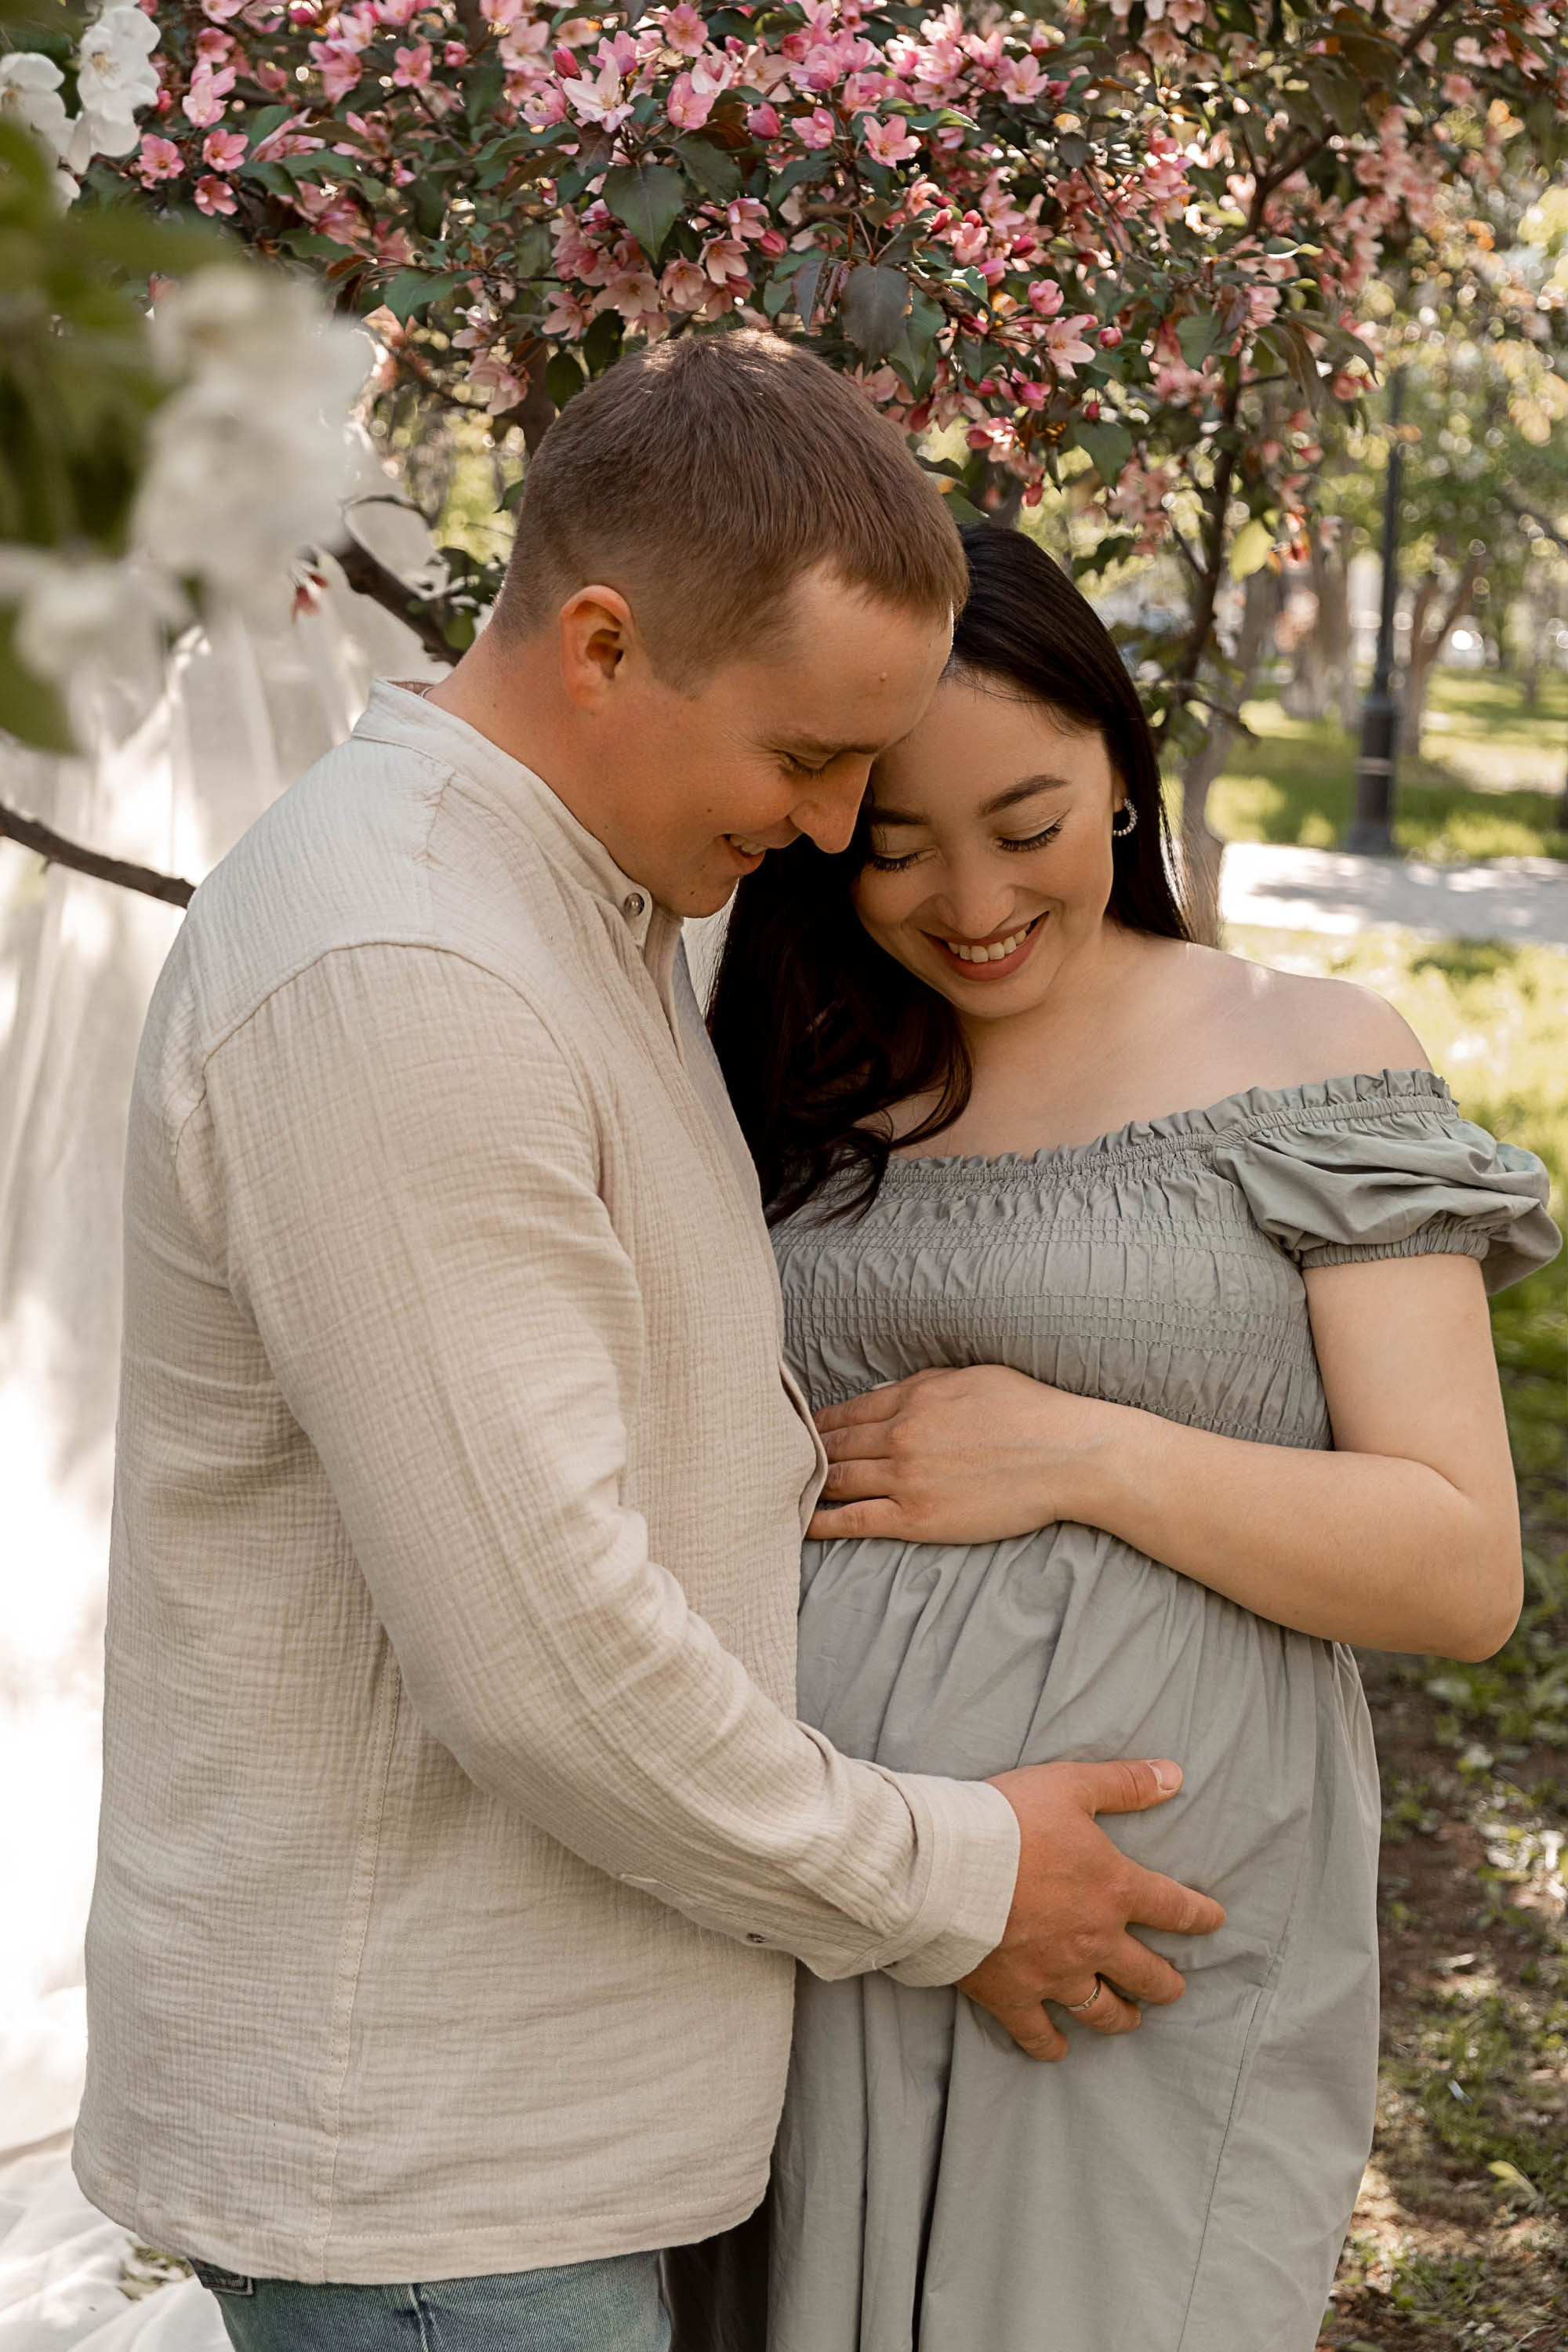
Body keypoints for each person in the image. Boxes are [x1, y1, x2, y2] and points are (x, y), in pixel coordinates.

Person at [74, 339, 1226, 2352]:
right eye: (805, 760)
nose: (837, 822)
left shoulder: (570, 909)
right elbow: (547, 1667)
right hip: (438, 2176)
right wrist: (957, 1875)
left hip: (545, 2143)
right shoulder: (410, 971)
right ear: (602, 643)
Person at [709, 523, 1561, 2352]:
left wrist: (1083, 1453)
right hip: (836, 1894)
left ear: (1120, 771)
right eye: (897, 844)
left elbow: (1459, 1567)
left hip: (1137, 1930)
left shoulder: (1307, 1056)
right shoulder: (791, 1075)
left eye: (1024, 824)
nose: (970, 899)